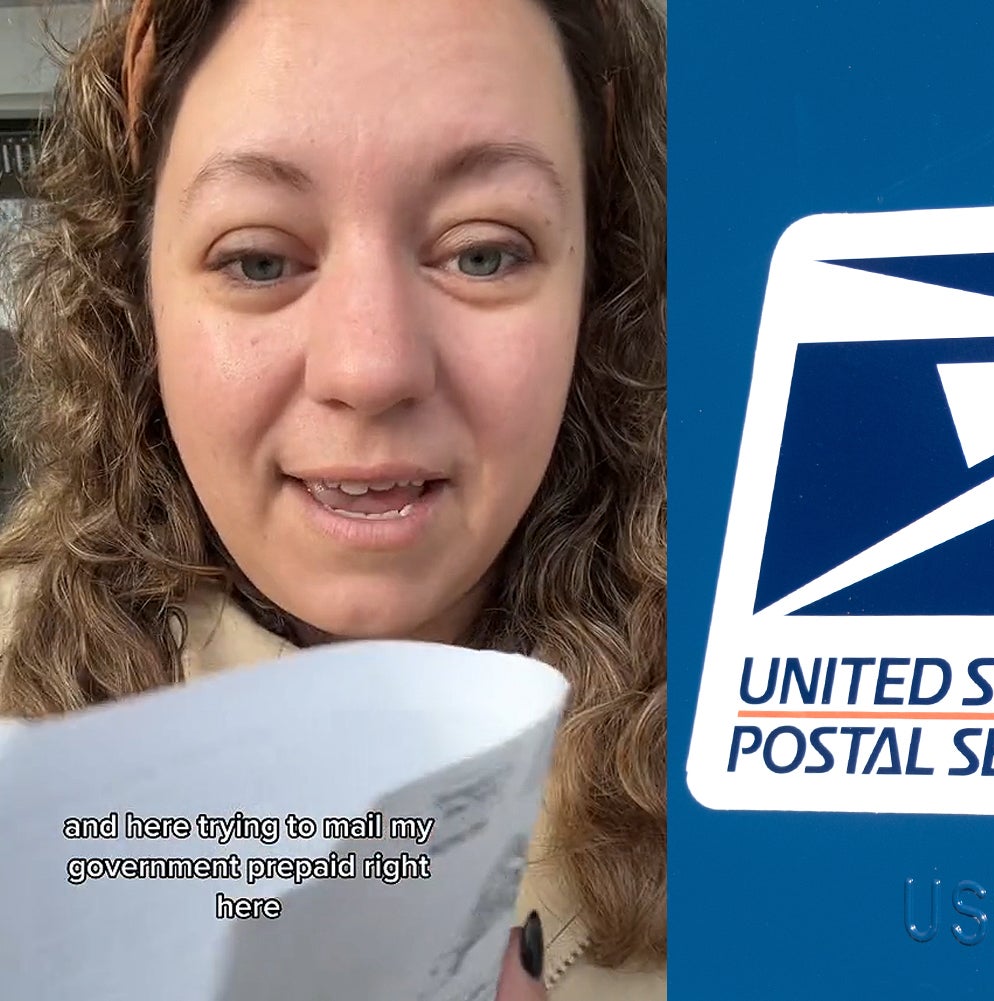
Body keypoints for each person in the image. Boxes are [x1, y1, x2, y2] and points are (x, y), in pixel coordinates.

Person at [0, 1, 664, 998]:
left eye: (482, 251)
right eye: (259, 260)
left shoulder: (813, 743)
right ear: (137, 290)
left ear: (594, 279)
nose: (371, 366)